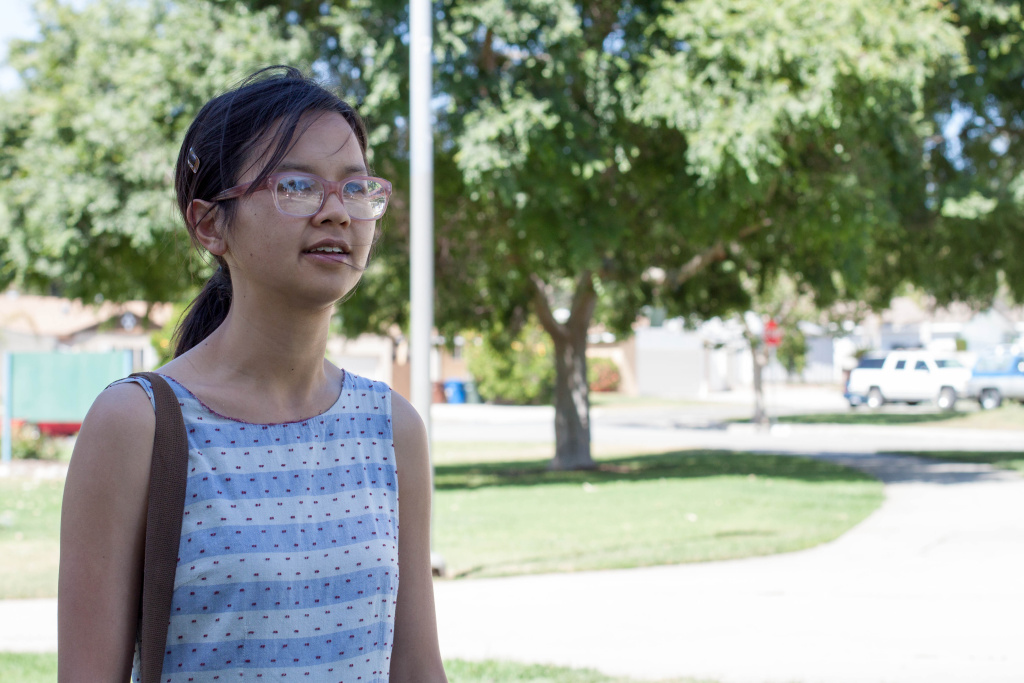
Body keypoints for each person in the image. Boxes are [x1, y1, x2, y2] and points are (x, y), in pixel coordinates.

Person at [58, 66, 447, 682]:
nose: (337, 213)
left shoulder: (391, 426)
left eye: (355, 188)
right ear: (210, 224)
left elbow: (417, 670)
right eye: (296, 186)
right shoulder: (137, 424)